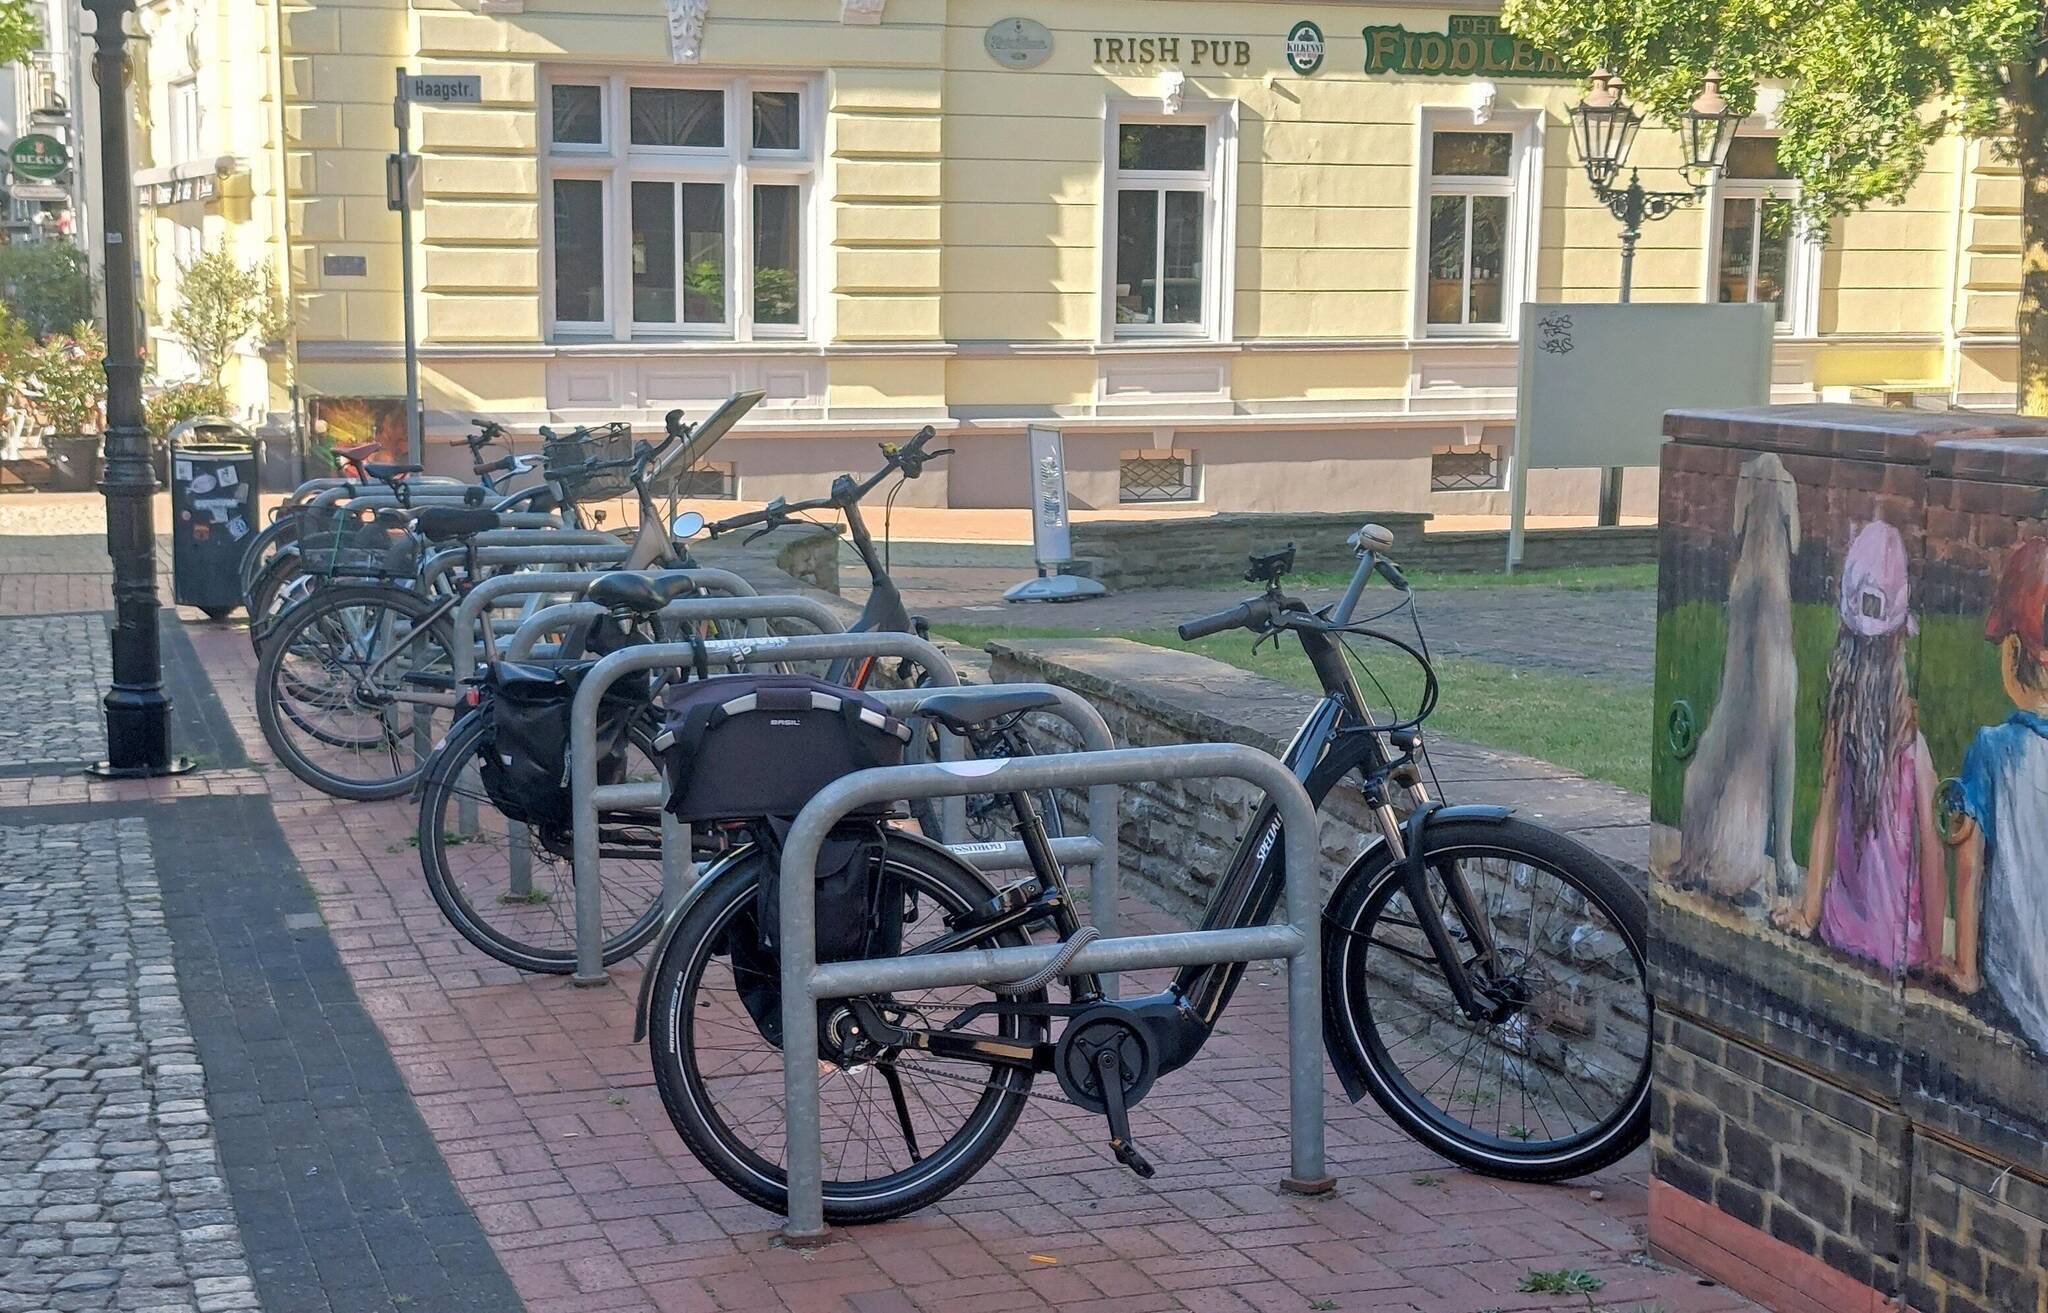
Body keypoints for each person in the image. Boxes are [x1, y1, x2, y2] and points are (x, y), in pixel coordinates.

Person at [1773, 521, 1944, 973]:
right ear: (1900, 639)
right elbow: (1932, 846)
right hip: (1901, 946)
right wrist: (1931, 951)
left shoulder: (1840, 718)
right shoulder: (1913, 744)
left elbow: (1826, 814)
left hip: (1844, 927)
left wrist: (1809, 913)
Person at [1947, 537, 2048, 1053]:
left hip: (2026, 1004)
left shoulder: (1993, 751)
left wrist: (1964, 970)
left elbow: (1969, 871)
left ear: (2013, 653)